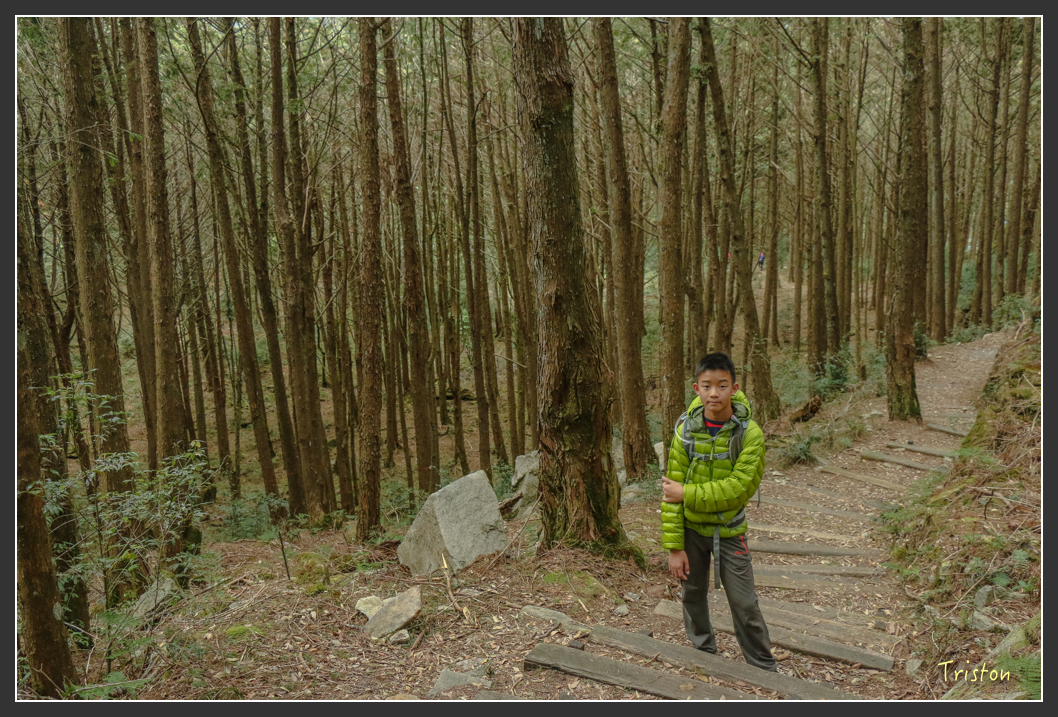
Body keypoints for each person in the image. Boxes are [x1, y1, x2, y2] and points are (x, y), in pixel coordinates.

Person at [660, 352, 776, 671]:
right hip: (690, 531)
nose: (714, 393)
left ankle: (763, 667)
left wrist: (686, 493)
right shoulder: (685, 430)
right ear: (696, 388)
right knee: (692, 594)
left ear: (734, 388)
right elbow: (670, 494)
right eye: (707, 385)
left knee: (745, 603)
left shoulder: (749, 433)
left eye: (722, 385)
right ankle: (703, 652)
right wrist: (674, 547)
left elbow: (737, 489)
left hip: (729, 529)